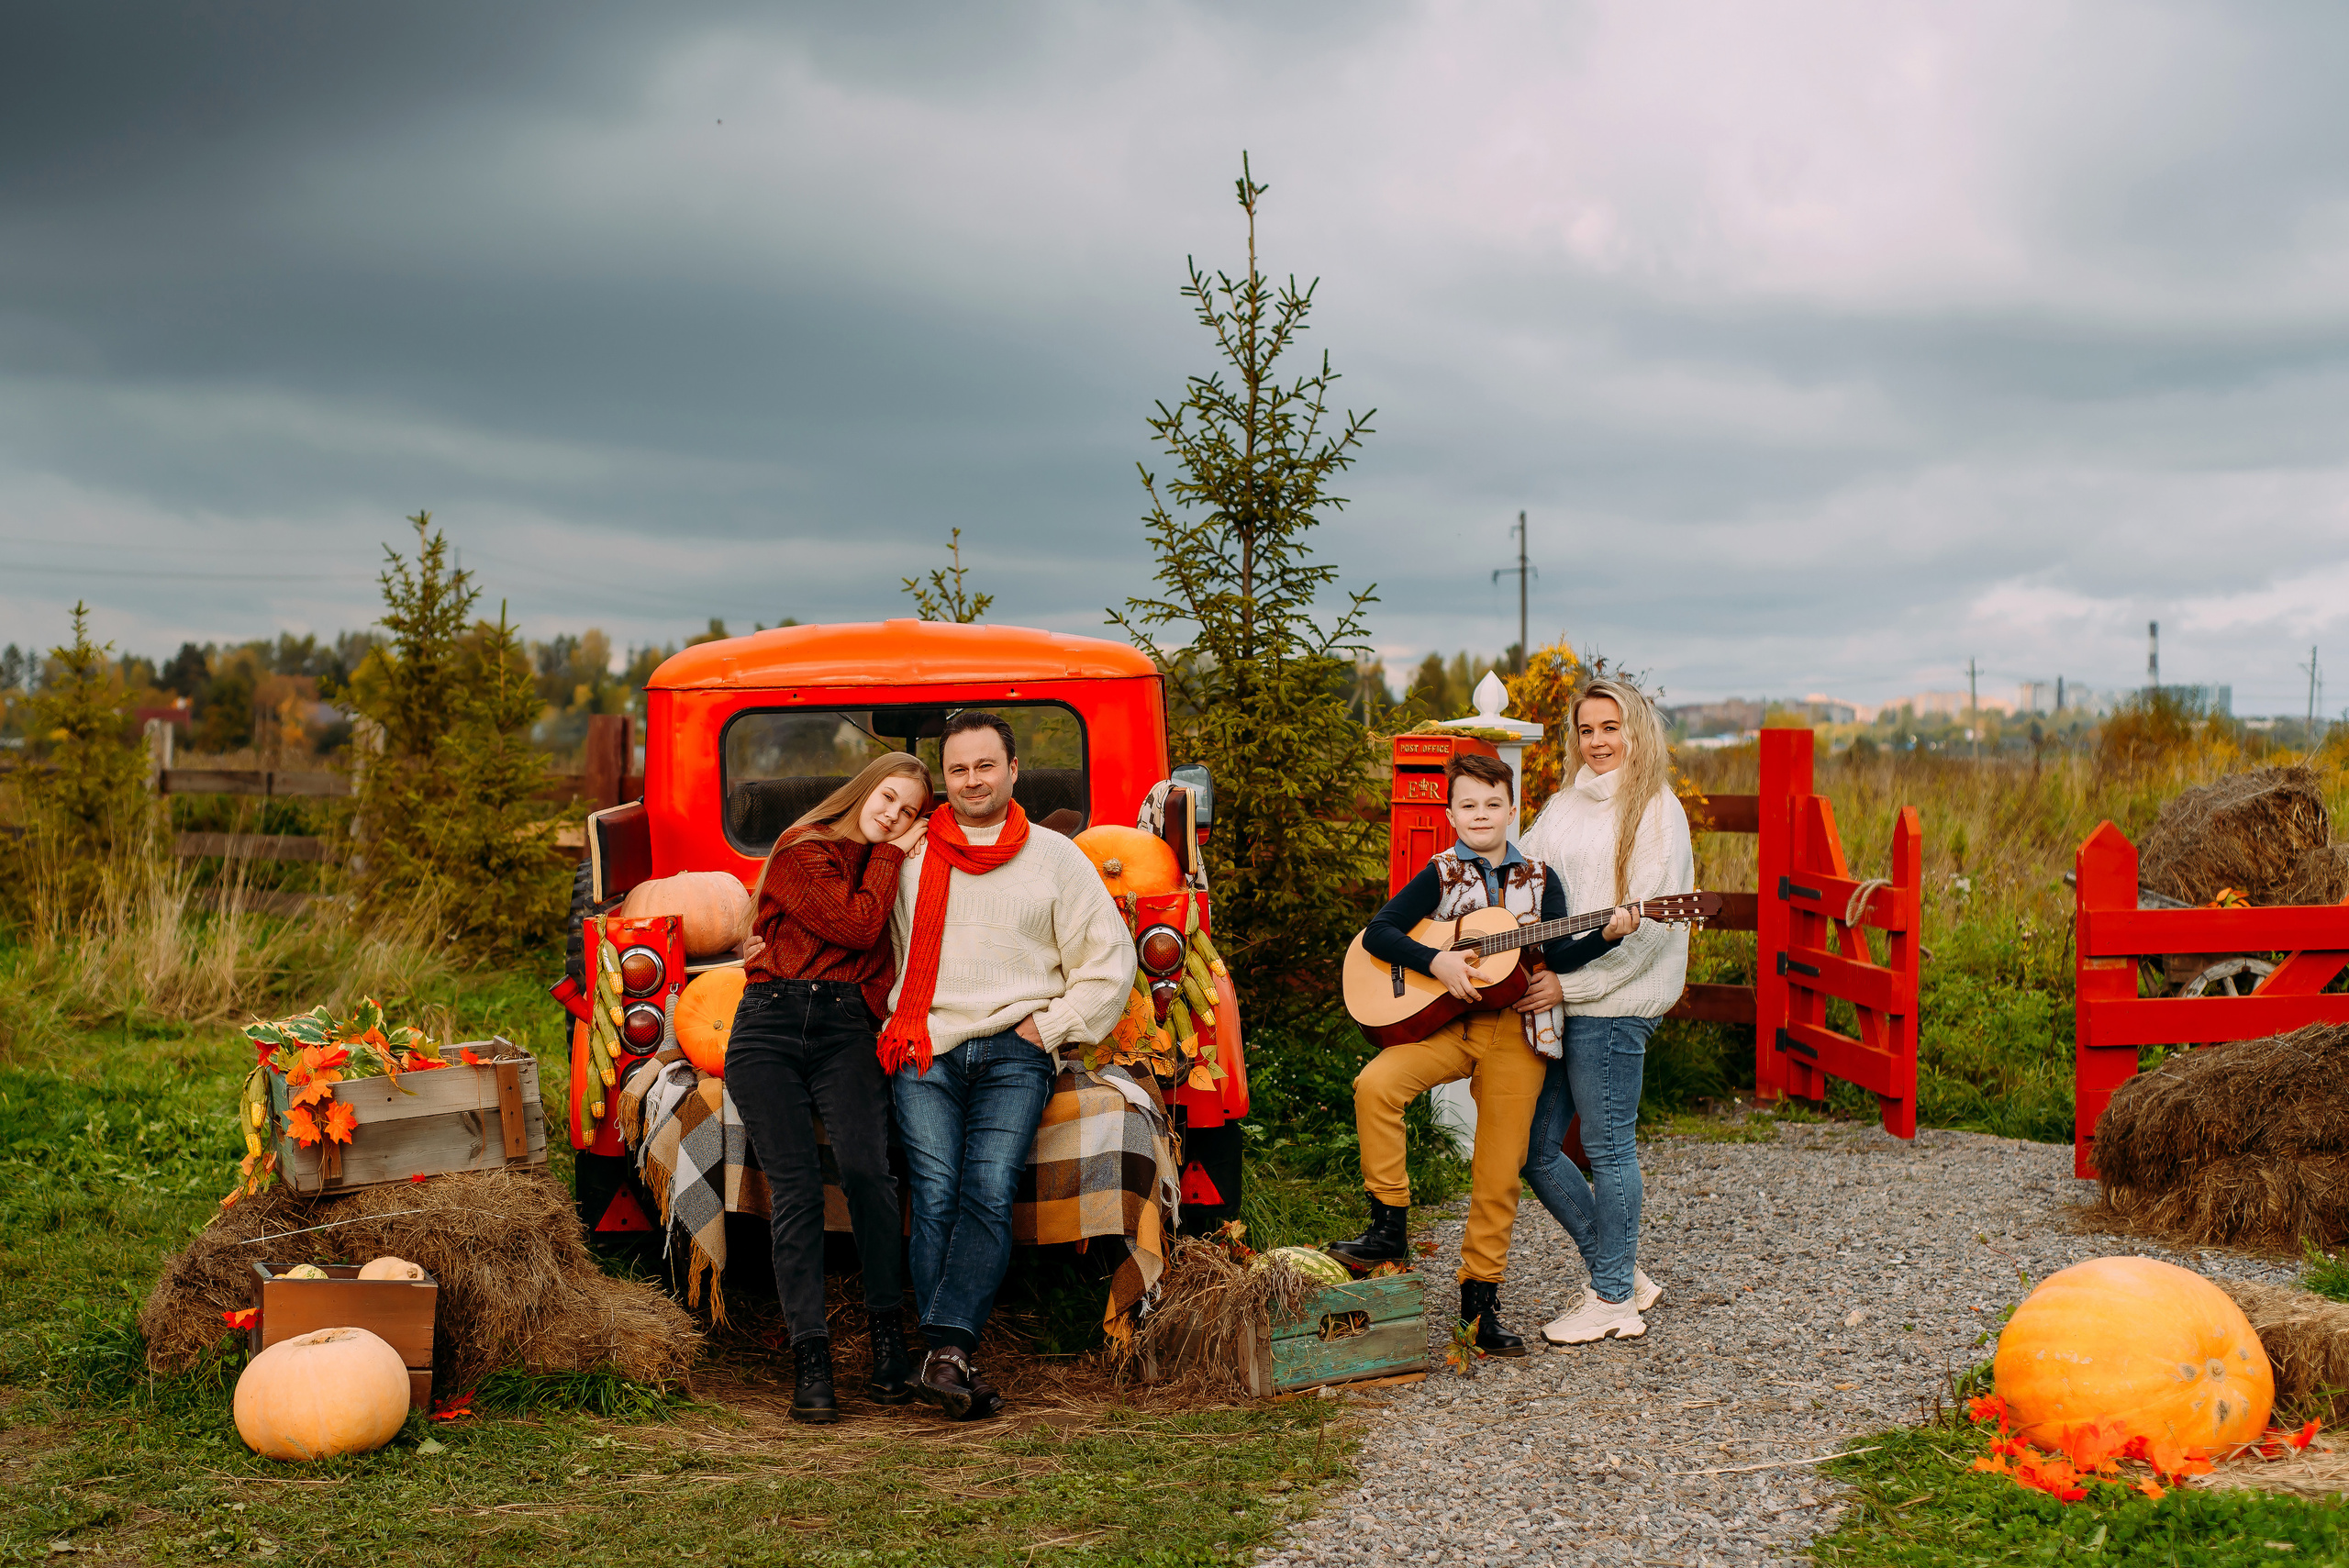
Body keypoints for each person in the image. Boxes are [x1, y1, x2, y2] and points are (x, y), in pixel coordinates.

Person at [1330, 751, 1635, 1353]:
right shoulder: (1440, 873)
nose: (1481, 814)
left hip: (1514, 1035)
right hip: (1446, 1025)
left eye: (1493, 804)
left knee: (1498, 1175)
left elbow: (1560, 955)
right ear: (1451, 812)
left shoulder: (1542, 880)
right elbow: (1380, 931)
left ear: (1512, 810)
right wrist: (1438, 959)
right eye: (1468, 804)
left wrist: (1604, 935)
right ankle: (1388, 1224)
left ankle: (1479, 1304)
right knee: (1376, 1085)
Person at [879, 710, 1134, 1419]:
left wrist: (1047, 1026)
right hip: (924, 1041)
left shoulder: (1055, 857)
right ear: (944, 778)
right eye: (957, 769)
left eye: (985, 765)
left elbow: (1109, 960)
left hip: (1013, 1048)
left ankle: (941, 1349)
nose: (971, 780)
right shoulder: (911, 852)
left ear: (1014, 769)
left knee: (988, 1187)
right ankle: (950, 1355)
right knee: (933, 1191)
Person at [729, 751, 932, 1424]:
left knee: (870, 1173)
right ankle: (811, 1358)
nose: (894, 816)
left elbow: (885, 939)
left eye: (908, 811)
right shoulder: (802, 848)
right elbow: (856, 924)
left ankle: (885, 1337)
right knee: (794, 1189)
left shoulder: (892, 866)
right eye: (889, 798)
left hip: (847, 1025)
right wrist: (892, 855)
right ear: (865, 788)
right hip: (770, 1025)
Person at [1519, 676, 1695, 1344]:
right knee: (1535, 1150)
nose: (1597, 741)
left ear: (1636, 732)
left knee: (1608, 1145)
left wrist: (1571, 989)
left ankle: (1614, 1297)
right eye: (1586, 729)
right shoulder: (1563, 805)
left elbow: (1648, 932)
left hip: (1617, 1004)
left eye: (1610, 727)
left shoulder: (1656, 810)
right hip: (1564, 1000)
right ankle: (1621, 1271)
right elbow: (1523, 878)